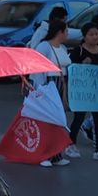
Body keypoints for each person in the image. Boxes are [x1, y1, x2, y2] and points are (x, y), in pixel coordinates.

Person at [67, 22, 98, 162]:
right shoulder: (79, 51)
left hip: (97, 92)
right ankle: (70, 145)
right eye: (91, 34)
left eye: (96, 34)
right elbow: (71, 69)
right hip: (82, 92)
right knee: (78, 118)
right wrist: (83, 65)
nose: (95, 37)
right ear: (85, 36)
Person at [30, 20, 75, 168]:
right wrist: (39, 90)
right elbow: (36, 69)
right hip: (48, 85)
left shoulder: (62, 47)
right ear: (59, 32)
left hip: (60, 84)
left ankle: (56, 154)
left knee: (58, 122)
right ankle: (44, 154)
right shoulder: (44, 46)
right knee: (47, 122)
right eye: (66, 31)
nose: (67, 34)